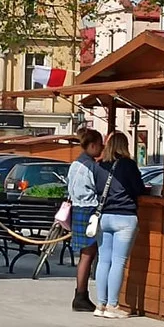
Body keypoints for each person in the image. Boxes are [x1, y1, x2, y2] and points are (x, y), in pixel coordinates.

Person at [94, 131, 146, 319]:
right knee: (118, 262)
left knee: (103, 260)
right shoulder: (128, 165)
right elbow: (138, 189)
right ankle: (112, 305)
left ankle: (100, 304)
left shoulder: (100, 166)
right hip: (125, 217)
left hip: (104, 216)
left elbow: (97, 189)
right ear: (124, 146)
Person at [65, 128, 106, 312]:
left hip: (77, 208)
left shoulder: (75, 164)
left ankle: (80, 294)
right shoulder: (91, 166)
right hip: (89, 209)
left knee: (84, 254)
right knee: (88, 254)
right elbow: (101, 188)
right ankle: (81, 295)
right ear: (92, 145)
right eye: (100, 145)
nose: (102, 149)